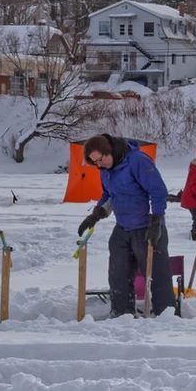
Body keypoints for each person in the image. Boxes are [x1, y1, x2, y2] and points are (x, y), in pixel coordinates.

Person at [75, 133, 172, 318]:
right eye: (94, 163)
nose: (98, 165)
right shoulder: (105, 169)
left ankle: (166, 316)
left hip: (146, 227)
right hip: (123, 227)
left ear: (109, 150)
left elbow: (157, 190)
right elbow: (110, 195)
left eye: (100, 160)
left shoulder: (137, 161)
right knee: (118, 274)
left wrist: (157, 219)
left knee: (157, 275)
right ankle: (121, 315)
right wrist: (95, 215)